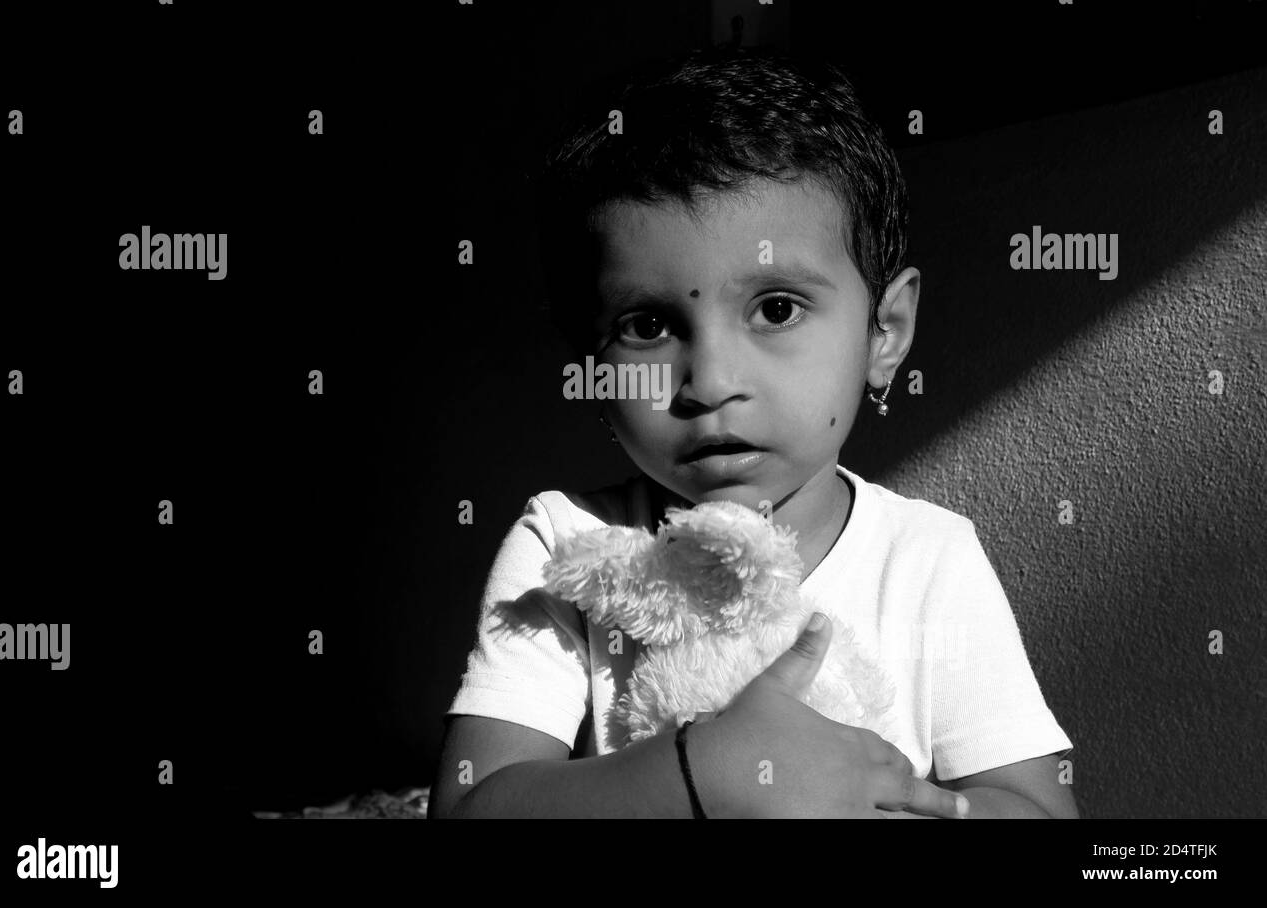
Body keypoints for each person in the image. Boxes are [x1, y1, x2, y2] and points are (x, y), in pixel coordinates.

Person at [429, 50, 1077, 819]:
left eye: (775, 308)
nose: (709, 381)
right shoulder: (566, 547)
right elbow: (468, 807)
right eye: (648, 324)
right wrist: (698, 773)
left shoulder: (928, 558)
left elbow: (1039, 810)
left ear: (885, 332)